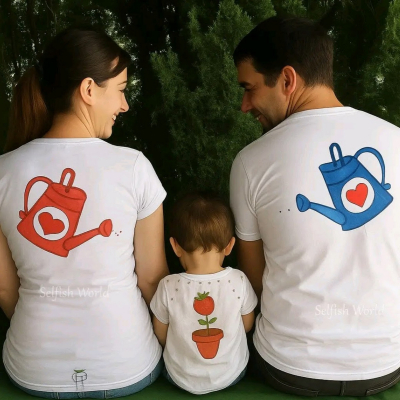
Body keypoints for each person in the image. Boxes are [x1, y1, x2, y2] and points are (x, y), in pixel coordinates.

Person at [230, 16, 400, 397]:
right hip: (385, 365)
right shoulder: (396, 141)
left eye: (249, 89)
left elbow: (255, 280)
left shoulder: (250, 162)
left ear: (287, 80)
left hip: (289, 369)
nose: (244, 106)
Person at [0, 26, 169, 398]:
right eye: (120, 90)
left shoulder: (3, 171)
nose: (124, 105)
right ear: (89, 89)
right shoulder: (134, 167)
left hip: (34, 370)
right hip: (126, 366)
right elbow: (152, 280)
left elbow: (5, 287)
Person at [150, 192, 257, 395]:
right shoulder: (239, 281)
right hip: (231, 374)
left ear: (175, 246)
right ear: (230, 246)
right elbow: (247, 325)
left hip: (179, 377)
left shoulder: (168, 286)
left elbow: (160, 333)